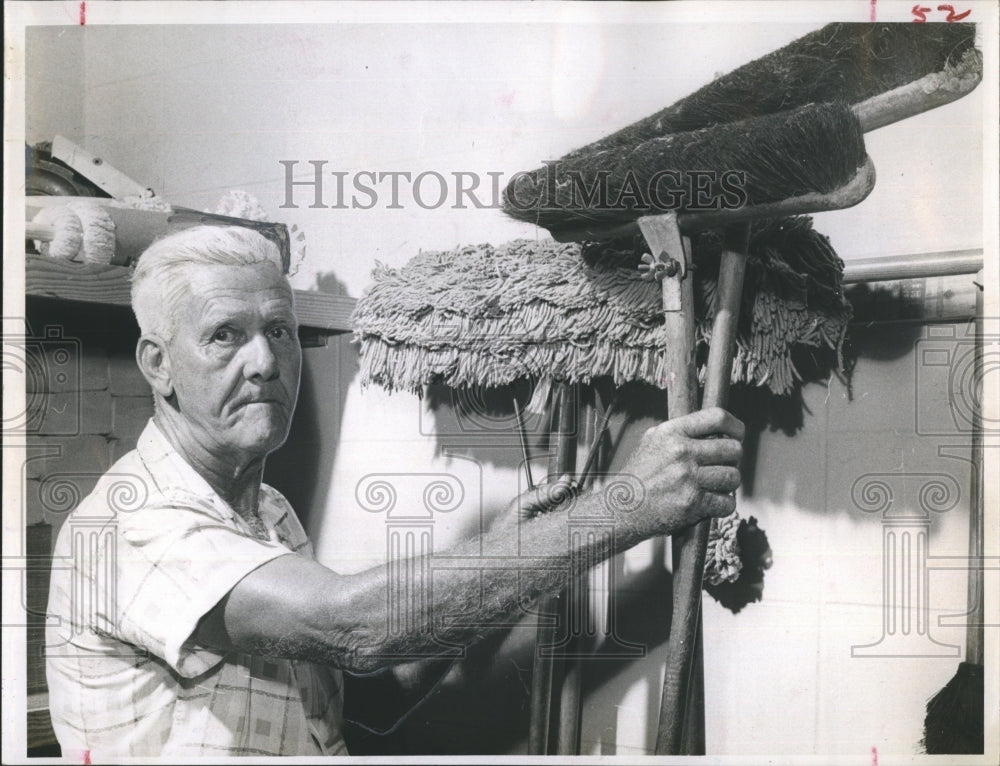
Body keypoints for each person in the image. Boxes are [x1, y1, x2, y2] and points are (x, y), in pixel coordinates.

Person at [45, 225, 744, 758]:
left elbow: (370, 697)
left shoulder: (269, 516)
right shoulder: (132, 523)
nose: (264, 363)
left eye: (279, 331)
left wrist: (505, 551)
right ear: (158, 364)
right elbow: (355, 626)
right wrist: (624, 506)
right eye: (224, 336)